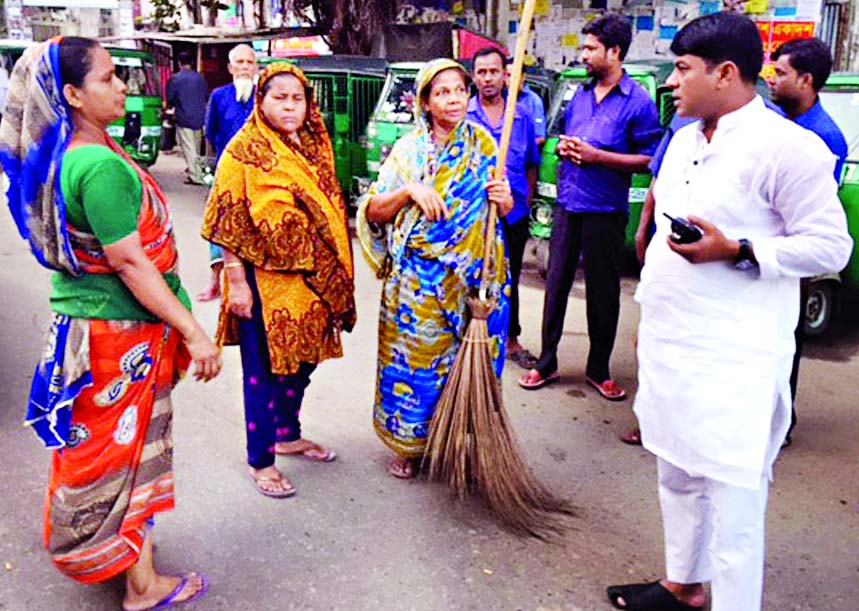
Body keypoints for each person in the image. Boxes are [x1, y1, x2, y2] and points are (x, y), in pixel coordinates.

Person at [607, 13, 852, 611]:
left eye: (682, 70)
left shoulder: (790, 149)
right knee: (676, 471)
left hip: (735, 357)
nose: (670, 82)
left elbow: (831, 245)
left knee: (734, 494)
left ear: (725, 73)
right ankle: (682, 583)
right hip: (674, 343)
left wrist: (739, 250)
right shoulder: (686, 138)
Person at [0, 37, 221, 610]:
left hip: (91, 333)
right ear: (72, 94)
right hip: (118, 341)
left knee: (106, 451)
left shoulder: (74, 154)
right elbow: (129, 262)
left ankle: (118, 555)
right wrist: (195, 333)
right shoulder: (96, 165)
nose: (122, 85)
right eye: (106, 79)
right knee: (121, 455)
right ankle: (140, 585)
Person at [201, 62, 356, 498]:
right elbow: (226, 218)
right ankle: (261, 459)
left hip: (312, 282)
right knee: (262, 373)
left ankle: (288, 434)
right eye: (279, 97)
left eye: (297, 98)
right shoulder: (243, 149)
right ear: (261, 102)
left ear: (309, 105)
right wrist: (236, 281)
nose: (290, 105)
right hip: (261, 280)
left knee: (303, 363)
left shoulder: (313, 147)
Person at [356, 58, 514, 479]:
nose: (453, 99)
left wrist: (504, 197)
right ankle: (409, 444)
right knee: (415, 365)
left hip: (473, 278)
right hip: (418, 283)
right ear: (425, 101)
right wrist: (410, 190)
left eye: (459, 90)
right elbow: (373, 209)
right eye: (441, 92)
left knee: (467, 362)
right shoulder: (408, 151)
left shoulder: (483, 145)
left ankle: (460, 439)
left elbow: (504, 211)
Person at [518, 13, 662, 400]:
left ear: (614, 52)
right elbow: (568, 138)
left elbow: (650, 160)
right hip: (569, 204)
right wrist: (566, 149)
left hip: (605, 210)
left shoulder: (639, 103)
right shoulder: (579, 96)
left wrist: (598, 157)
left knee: (602, 292)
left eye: (590, 48)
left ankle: (599, 369)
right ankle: (546, 363)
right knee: (556, 287)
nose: (583, 55)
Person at [768, 37, 848, 447]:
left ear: (806, 79)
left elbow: (811, 209)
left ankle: (782, 421)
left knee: (786, 339)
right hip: (765, 251)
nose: (771, 79)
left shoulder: (823, 137)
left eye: (780, 73)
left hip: (791, 252)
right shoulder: (777, 121)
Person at [468, 47, 541, 369]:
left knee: (509, 277)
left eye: (493, 72)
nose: (487, 78)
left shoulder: (521, 115)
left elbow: (530, 163)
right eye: (481, 72)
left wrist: (526, 198)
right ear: (474, 76)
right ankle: (472, 333)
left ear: (504, 75)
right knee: (472, 275)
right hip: (475, 215)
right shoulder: (465, 115)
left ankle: (511, 339)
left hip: (514, 214)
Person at [197, 43, 259, 303]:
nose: (244, 67)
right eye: (239, 63)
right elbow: (210, 132)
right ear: (231, 68)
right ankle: (215, 281)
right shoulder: (219, 96)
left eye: (249, 62)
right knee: (219, 225)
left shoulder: (265, 95)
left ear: (256, 66)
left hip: (259, 174)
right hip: (226, 172)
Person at [166, 50, 208, 185]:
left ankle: (196, 176)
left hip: (183, 116)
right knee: (195, 147)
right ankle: (196, 171)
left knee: (189, 148)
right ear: (191, 63)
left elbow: (171, 98)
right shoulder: (200, 78)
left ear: (179, 63)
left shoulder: (175, 79)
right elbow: (206, 96)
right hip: (199, 117)